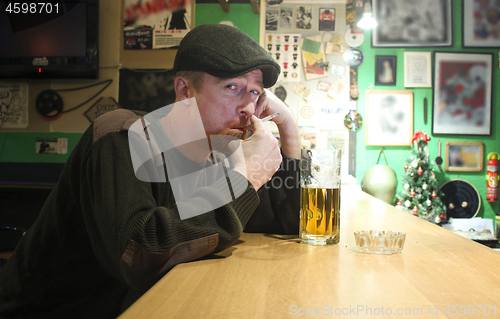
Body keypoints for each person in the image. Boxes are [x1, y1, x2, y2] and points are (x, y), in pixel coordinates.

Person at [0, 24, 301, 318]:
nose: (248, 107)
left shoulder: (214, 153)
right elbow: (142, 252)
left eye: (255, 93)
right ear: (184, 89)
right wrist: (243, 177)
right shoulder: (122, 135)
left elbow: (290, 219)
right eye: (232, 88)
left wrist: (288, 128)